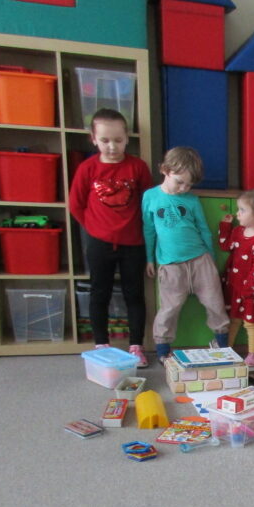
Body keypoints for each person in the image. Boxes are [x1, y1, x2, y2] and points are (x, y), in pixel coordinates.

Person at [69, 108, 153, 367]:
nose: (112, 146)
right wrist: (94, 228)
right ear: (93, 139)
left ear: (127, 138)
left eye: (118, 140)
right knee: (99, 293)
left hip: (133, 243)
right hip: (99, 243)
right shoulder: (87, 168)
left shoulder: (137, 167)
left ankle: (136, 346)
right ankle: (101, 345)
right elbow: (76, 204)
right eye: (105, 140)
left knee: (134, 294)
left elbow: (148, 201)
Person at [142, 147, 230, 362]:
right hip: (171, 265)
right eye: (180, 182)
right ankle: (163, 350)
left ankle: (222, 344)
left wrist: (211, 259)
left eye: (189, 185)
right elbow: (149, 230)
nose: (184, 188)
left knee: (215, 303)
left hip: (200, 260)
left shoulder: (191, 200)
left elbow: (204, 230)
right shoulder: (150, 197)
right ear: (165, 170)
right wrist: (150, 259)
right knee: (169, 308)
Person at [220, 188, 254, 367]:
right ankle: (226, 350)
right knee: (233, 319)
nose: (237, 213)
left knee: (250, 322)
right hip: (234, 286)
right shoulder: (237, 232)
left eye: (242, 210)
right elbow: (225, 246)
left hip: (252, 290)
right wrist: (225, 226)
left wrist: (249, 289)